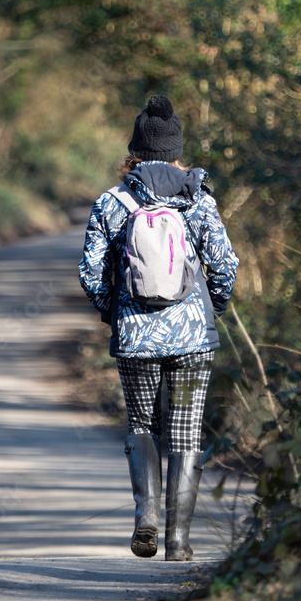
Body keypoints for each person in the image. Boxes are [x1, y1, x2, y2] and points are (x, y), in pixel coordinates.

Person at [78, 94, 239, 561]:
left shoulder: (112, 202)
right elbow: (224, 266)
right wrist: (214, 309)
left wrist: (116, 312)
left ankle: (146, 518)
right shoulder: (198, 199)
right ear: (175, 150)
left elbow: (90, 273)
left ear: (134, 150)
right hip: (192, 339)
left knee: (143, 425)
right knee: (186, 434)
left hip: (136, 338)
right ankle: (179, 542)